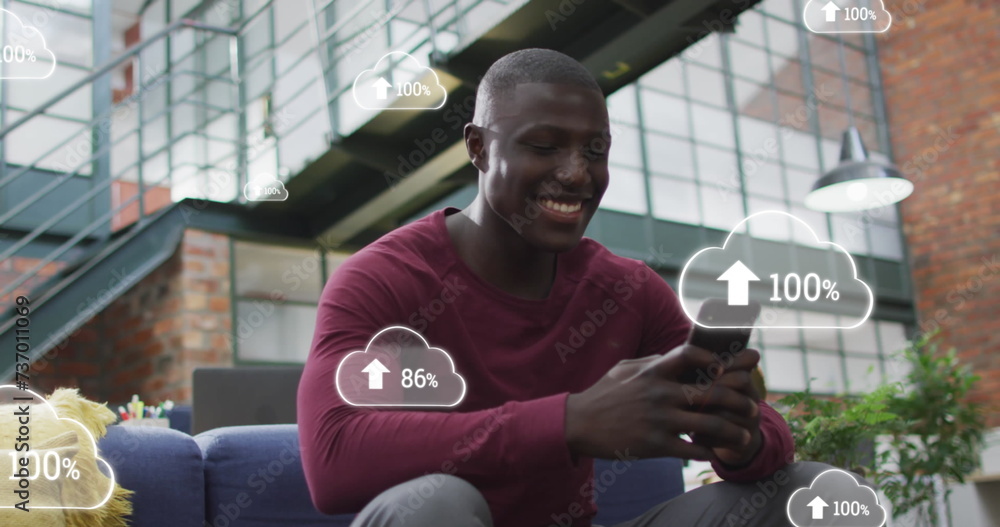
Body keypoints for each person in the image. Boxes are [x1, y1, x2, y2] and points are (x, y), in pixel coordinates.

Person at [298, 48, 845, 527]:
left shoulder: (625, 290)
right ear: (479, 148)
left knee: (811, 493)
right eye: (544, 146)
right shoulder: (384, 278)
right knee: (435, 504)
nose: (577, 174)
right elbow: (333, 458)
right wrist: (569, 421)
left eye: (595, 151)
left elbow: (768, 433)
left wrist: (741, 435)